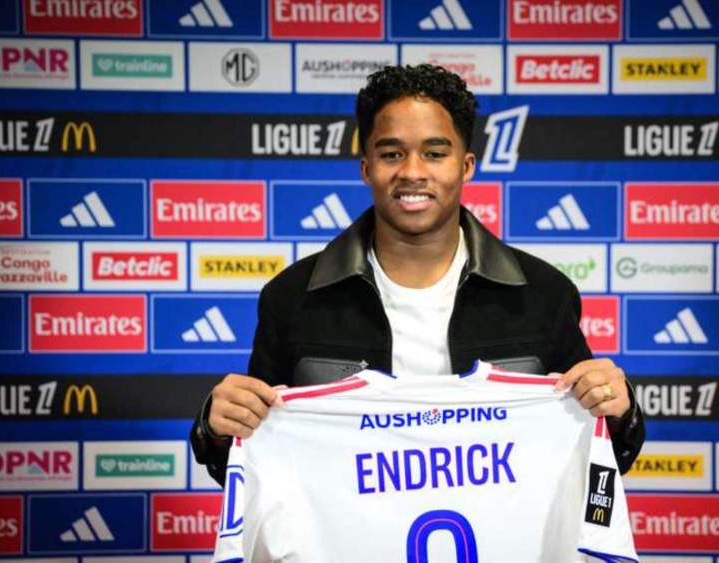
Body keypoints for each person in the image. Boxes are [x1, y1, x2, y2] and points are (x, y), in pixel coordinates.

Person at [191, 64, 644, 485]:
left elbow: (599, 454)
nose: (412, 172)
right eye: (391, 154)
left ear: (465, 166)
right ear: (366, 168)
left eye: (434, 153)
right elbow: (250, 465)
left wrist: (619, 414)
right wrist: (218, 429)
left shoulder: (542, 293)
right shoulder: (293, 297)